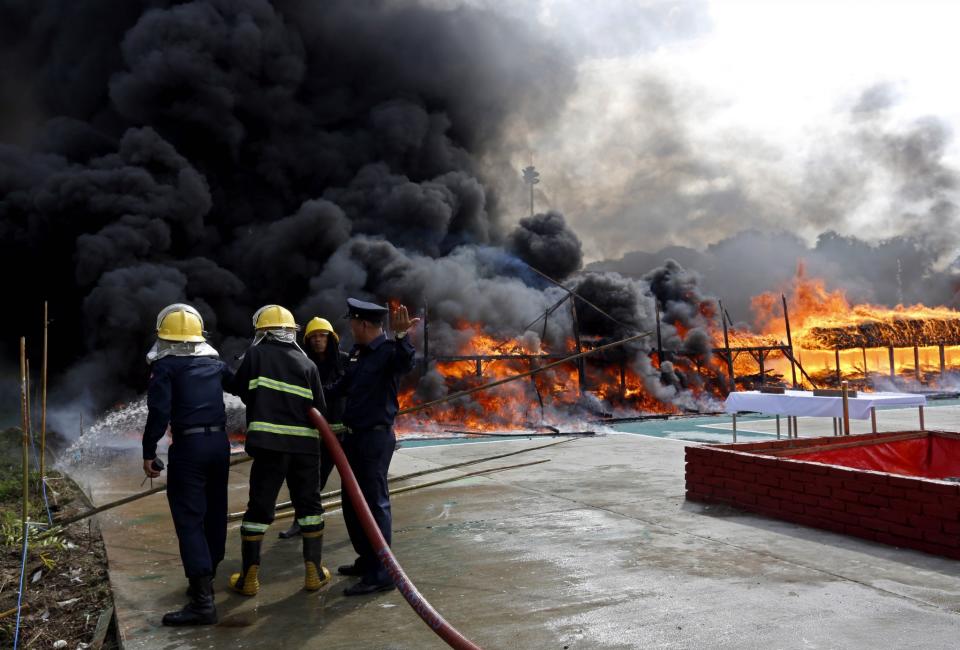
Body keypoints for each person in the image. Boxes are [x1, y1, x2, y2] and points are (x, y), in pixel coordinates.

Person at [141, 303, 234, 626]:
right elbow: (242, 384)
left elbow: (159, 413)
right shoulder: (215, 364)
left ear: (164, 337)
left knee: (190, 519)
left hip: (189, 448)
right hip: (220, 446)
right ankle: (207, 579)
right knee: (215, 512)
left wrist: (148, 451)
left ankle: (202, 603)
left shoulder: (165, 369)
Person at [229, 305, 330, 596]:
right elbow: (320, 410)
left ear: (262, 333)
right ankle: (314, 573)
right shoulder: (308, 364)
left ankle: (248, 578)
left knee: (259, 508)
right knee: (310, 508)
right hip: (306, 448)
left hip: (269, 446)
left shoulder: (256, 355)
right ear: (291, 333)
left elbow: (239, 388)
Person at [326, 298, 419, 596]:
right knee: (353, 502)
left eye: (352, 322)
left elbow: (407, 362)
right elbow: (340, 388)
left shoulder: (390, 353)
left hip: (374, 439)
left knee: (374, 502)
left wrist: (403, 337)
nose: (350, 328)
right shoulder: (359, 354)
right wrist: (305, 392)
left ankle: (382, 572)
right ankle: (367, 560)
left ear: (363, 323)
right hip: (352, 438)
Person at [279, 317, 349, 539]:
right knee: (310, 482)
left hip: (344, 434)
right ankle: (301, 522)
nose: (318, 340)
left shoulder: (346, 362)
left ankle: (365, 526)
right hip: (316, 435)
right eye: (314, 337)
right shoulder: (303, 364)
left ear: (332, 339)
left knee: (356, 483)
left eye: (323, 336)